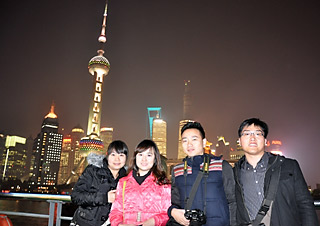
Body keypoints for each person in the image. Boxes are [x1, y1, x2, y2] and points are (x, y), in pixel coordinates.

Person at [234, 118, 318, 225]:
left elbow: (305, 204)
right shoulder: (234, 173)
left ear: (265, 141)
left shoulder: (288, 166)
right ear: (240, 141)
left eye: (258, 134)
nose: (252, 138)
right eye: (247, 134)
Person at [167, 121, 236, 226]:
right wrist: (172, 211)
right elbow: (175, 203)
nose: (189, 144)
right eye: (185, 141)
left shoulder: (221, 166)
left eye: (194, 139)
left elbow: (232, 201)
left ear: (204, 142)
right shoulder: (177, 171)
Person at [109, 139, 171, 226]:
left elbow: (167, 212)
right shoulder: (123, 182)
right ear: (135, 157)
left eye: (149, 155)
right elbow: (116, 211)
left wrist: (152, 222)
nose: (144, 159)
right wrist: (119, 224)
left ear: (155, 158)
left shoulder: (163, 184)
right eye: (140, 154)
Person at [71, 140, 129, 226]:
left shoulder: (126, 178)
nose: (117, 159)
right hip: (85, 222)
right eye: (113, 155)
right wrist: (104, 198)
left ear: (126, 158)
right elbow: (76, 196)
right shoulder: (93, 170)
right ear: (107, 155)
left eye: (121, 155)